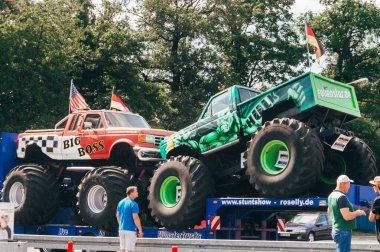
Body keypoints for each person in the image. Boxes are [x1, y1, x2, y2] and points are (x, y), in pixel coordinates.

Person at [327, 175, 366, 252]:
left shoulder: (331, 196)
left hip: (336, 230)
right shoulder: (341, 197)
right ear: (344, 184)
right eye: (349, 184)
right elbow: (347, 216)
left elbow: (329, 212)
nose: (349, 187)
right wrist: (357, 213)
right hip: (343, 231)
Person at [116, 186, 143, 252]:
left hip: (121, 229)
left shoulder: (120, 202)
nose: (137, 193)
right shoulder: (134, 204)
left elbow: (117, 215)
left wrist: (121, 225)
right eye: (136, 191)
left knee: (123, 250)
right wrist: (140, 230)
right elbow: (135, 218)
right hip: (130, 230)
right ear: (131, 193)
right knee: (129, 250)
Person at [368, 176, 380, 242]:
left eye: (374, 185)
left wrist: (376, 215)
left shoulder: (378, 200)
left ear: (378, 186)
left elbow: (371, 219)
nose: (373, 187)